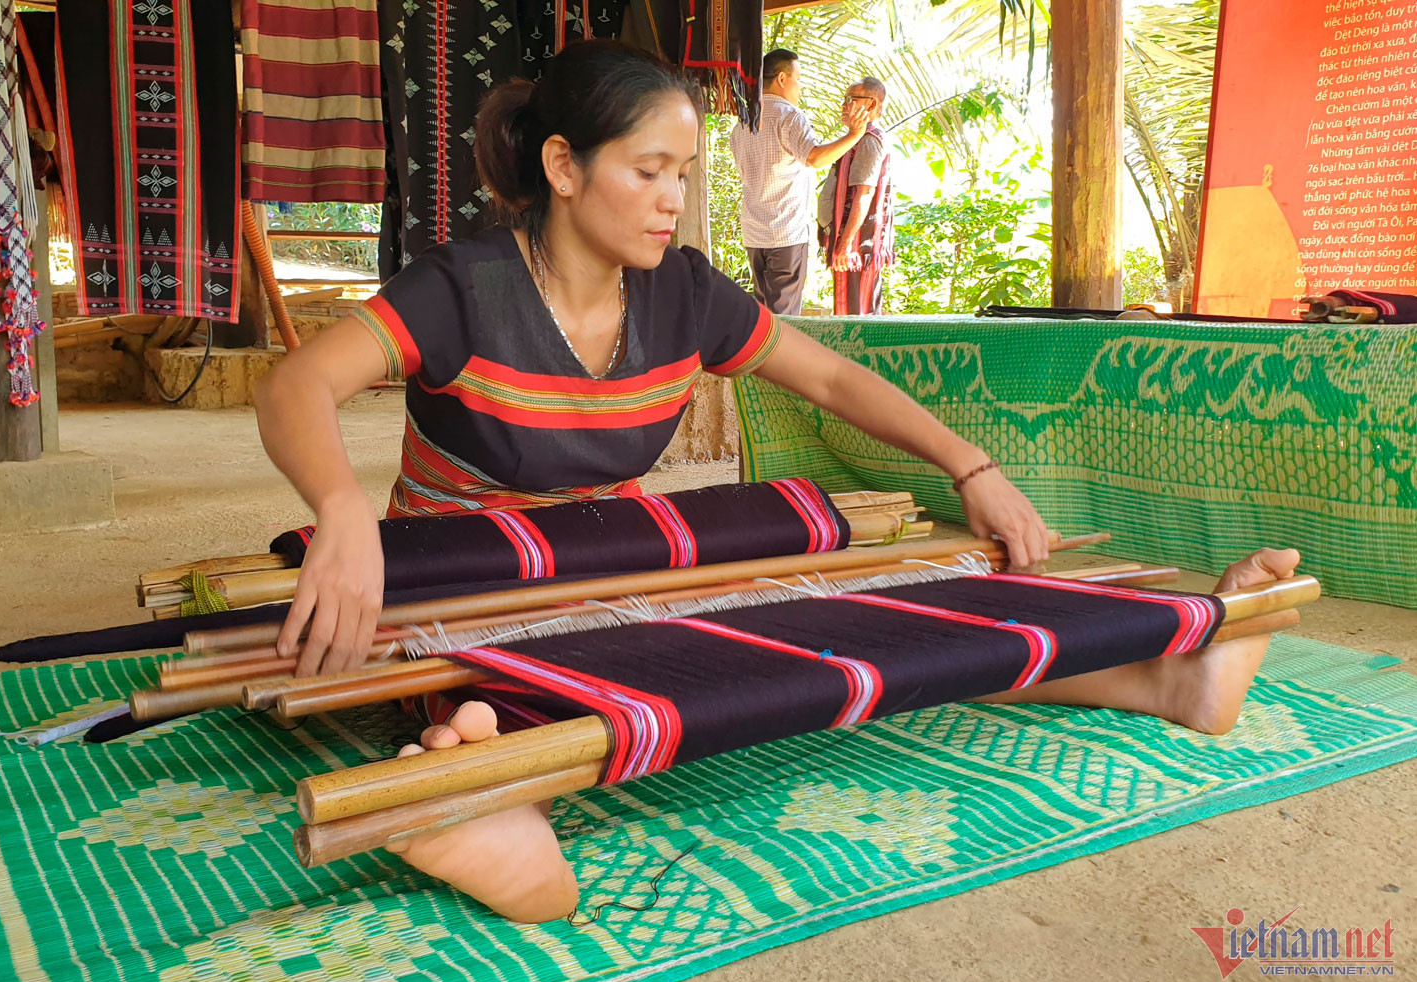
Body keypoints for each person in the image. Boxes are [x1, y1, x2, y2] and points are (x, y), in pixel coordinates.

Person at [253, 41, 1300, 924]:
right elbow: (298, 383)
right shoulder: (464, 289)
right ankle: (487, 785)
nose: (674, 201)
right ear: (563, 166)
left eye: (684, 174)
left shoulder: (683, 295)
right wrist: (343, 514)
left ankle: (1165, 677)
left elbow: (833, 379)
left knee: (843, 615)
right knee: (515, 665)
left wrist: (971, 466)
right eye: (649, 172)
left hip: (616, 558)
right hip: (464, 573)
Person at [729, 48, 871, 317]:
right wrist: (854, 134)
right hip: (785, 233)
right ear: (782, 78)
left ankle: (761, 347)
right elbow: (814, 158)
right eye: (799, 78)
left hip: (754, 233)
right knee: (784, 320)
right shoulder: (789, 116)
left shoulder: (743, 122)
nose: (801, 87)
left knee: (764, 317)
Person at [818, 77, 895, 315]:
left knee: (856, 316)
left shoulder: (869, 140)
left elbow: (865, 194)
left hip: (858, 246)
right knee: (847, 313)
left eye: (851, 99)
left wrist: (846, 244)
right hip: (850, 243)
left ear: (871, 104)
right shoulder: (856, 138)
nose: (844, 105)